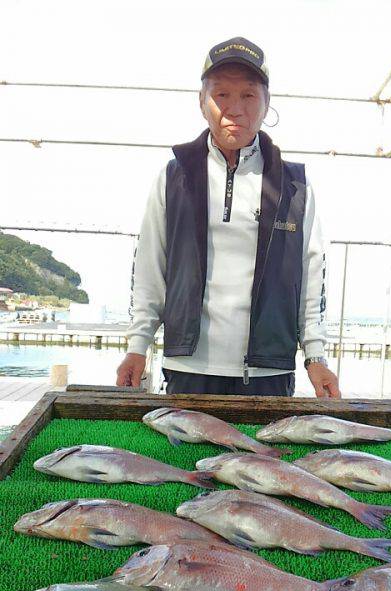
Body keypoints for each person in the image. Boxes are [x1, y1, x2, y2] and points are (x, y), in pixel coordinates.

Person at [117, 36, 340, 398]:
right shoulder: (174, 177)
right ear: (202, 103)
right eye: (221, 94)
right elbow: (149, 269)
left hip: (269, 372)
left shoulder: (295, 185)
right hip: (187, 368)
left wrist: (315, 355)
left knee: (267, 456)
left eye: (248, 95)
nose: (234, 108)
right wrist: (136, 346)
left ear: (267, 105)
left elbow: (312, 274)